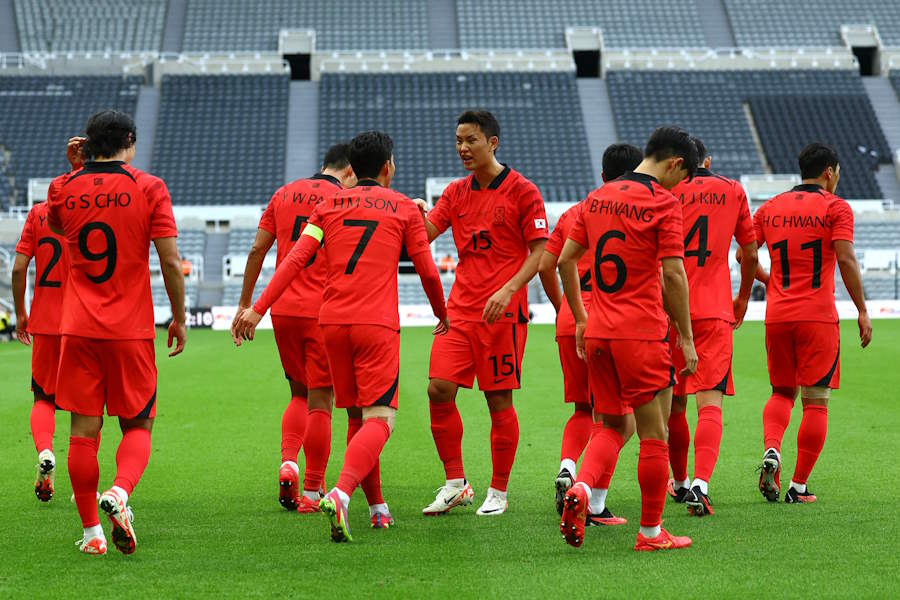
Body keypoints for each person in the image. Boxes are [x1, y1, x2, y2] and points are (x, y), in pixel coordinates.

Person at [232, 131, 449, 542]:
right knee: (380, 419)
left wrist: (258, 308)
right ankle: (341, 491)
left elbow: (296, 258)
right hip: (375, 324)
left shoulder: (327, 205)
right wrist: (441, 311)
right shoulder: (401, 206)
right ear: (388, 166)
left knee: (354, 416)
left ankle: (379, 507)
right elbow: (425, 266)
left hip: (331, 322)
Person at [48, 110, 186, 555]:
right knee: (138, 424)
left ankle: (92, 534)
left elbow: (57, 225)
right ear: (130, 139)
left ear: (88, 145)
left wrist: (75, 171)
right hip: (129, 329)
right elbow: (168, 260)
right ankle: (121, 493)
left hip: (78, 329)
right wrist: (179, 317)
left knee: (82, 433)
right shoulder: (148, 187)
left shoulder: (63, 188)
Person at [557, 126, 698, 551]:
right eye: (683, 177)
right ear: (674, 164)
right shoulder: (663, 202)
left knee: (613, 424)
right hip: (640, 333)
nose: (680, 186)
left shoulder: (595, 199)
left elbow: (565, 260)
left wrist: (581, 318)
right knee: (654, 434)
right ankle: (652, 533)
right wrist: (687, 339)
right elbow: (673, 273)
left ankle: (581, 489)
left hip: (598, 330)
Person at [420, 110, 549, 517]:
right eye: (458, 140)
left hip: (503, 314)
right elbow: (424, 235)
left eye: (470, 140)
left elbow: (541, 251)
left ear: (492, 143)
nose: (462, 148)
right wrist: (407, 214)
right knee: (438, 388)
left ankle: (499, 490)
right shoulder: (456, 193)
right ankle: (456, 484)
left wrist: (510, 288)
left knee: (498, 401)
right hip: (459, 310)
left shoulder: (524, 191)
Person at [230, 143, 358, 514]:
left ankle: (289, 461)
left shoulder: (284, 193)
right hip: (324, 308)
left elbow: (257, 250)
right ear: (349, 172)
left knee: (297, 394)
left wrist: (246, 304)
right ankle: (314, 489)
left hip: (283, 308)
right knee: (322, 400)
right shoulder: (344, 201)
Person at [753, 142, 871, 504]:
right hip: (817, 316)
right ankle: (798, 486)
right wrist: (862, 310)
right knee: (816, 402)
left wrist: (767, 280)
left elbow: (743, 252)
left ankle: (772, 449)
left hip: (778, 315)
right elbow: (847, 259)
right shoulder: (836, 207)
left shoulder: (770, 208)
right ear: (830, 172)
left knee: (780, 392)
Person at [538, 143, 642, 525]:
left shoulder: (574, 212)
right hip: (611, 321)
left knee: (582, 409)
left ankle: (568, 467)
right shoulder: (637, 210)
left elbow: (547, 265)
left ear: (602, 176)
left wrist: (562, 308)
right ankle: (594, 498)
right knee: (619, 419)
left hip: (572, 319)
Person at [664, 137, 759, 516]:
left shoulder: (666, 189)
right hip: (715, 308)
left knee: (674, 403)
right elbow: (750, 253)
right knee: (710, 403)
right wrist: (743, 296)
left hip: (668, 309)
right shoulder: (732, 190)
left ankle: (680, 481)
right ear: (707, 160)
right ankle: (700, 486)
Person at [11, 135, 84, 502]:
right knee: (84, 406)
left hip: (44, 320)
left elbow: (20, 266)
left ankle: (45, 452)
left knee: (43, 397)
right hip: (84, 320)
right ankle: (81, 487)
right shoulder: (90, 209)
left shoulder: (39, 213)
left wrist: (22, 312)